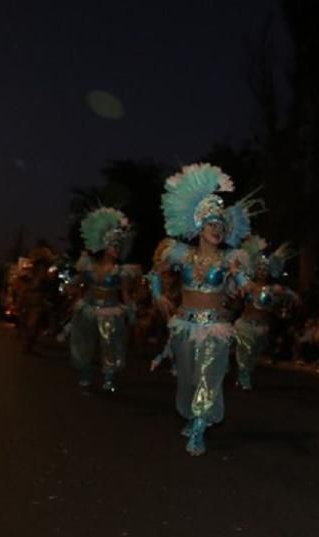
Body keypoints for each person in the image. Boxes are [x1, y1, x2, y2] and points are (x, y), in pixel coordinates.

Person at [148, 163, 260, 456]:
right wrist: (159, 295)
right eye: (212, 224)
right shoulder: (181, 254)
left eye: (221, 226)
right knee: (187, 378)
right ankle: (191, 414)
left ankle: (199, 426)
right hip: (184, 324)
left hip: (214, 327)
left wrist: (244, 281)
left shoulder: (230, 259)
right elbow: (155, 272)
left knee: (209, 376)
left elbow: (245, 287)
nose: (217, 230)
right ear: (199, 225)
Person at [68, 207, 139, 391]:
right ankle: (85, 374)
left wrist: (131, 310)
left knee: (109, 343)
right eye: (114, 246)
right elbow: (79, 285)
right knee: (85, 343)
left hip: (110, 310)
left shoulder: (121, 271)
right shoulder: (89, 266)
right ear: (105, 246)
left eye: (118, 246)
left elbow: (125, 294)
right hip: (89, 308)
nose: (117, 250)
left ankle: (109, 377)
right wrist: (76, 300)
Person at [233, 236, 298, 391]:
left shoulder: (272, 289)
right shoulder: (248, 285)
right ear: (255, 270)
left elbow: (288, 296)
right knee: (244, 351)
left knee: (254, 354)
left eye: (265, 269)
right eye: (260, 269)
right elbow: (236, 295)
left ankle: (245, 373)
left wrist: (291, 296)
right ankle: (244, 377)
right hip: (245, 325)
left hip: (262, 328)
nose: (262, 271)